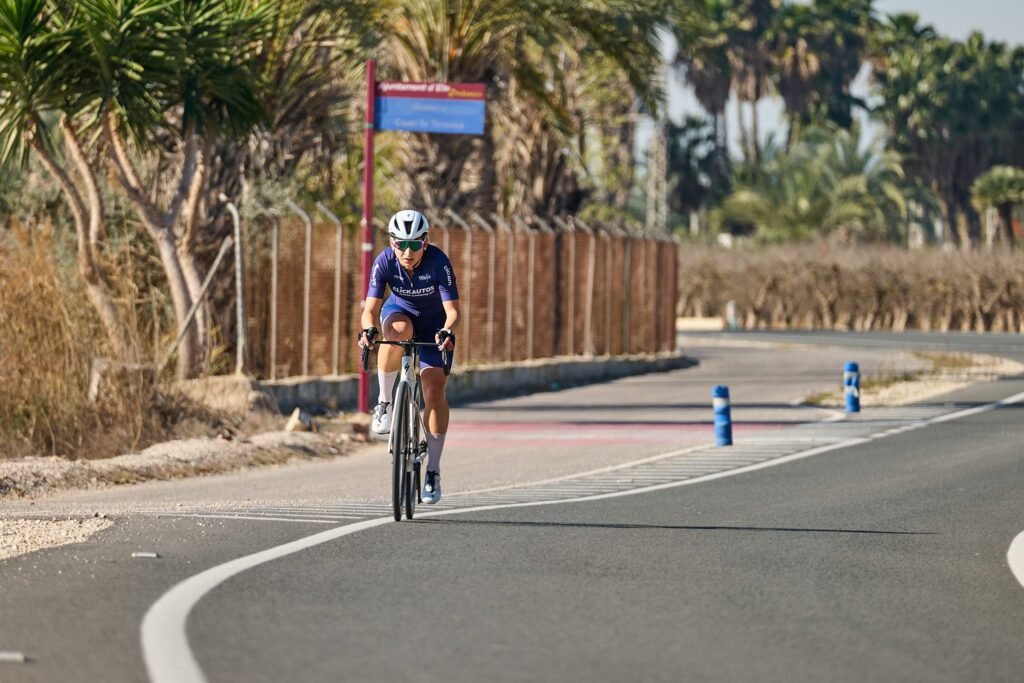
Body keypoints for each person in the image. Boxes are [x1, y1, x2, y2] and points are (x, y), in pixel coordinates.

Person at [357, 209, 459, 504]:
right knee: (396, 332)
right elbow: (370, 310)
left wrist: (447, 332)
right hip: (399, 314)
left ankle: (433, 472)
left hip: (435, 324)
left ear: (425, 243)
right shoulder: (385, 261)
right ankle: (385, 403)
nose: (407, 251)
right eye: (400, 243)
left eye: (415, 244)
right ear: (391, 243)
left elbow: (453, 312)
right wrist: (368, 330)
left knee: (434, 389)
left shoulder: (439, 262)